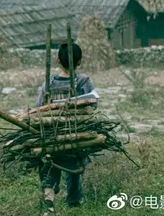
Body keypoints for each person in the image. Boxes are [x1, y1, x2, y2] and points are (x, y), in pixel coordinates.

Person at [34, 42, 95, 216]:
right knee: (74, 165)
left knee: (51, 164)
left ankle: (49, 200)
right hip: (75, 133)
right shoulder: (83, 81)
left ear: (57, 59)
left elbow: (39, 107)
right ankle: (73, 201)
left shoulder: (49, 84)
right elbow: (93, 105)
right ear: (80, 61)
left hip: (52, 133)